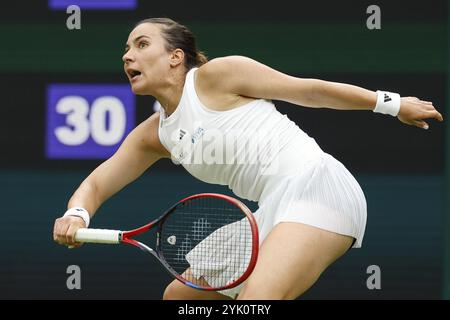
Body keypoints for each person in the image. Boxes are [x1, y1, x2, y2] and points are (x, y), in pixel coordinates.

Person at [53, 18, 443, 300]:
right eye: (125, 49)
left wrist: (390, 104)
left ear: (175, 56)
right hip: (271, 211)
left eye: (140, 45)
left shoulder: (218, 75)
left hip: (317, 186)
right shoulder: (155, 134)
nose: (127, 56)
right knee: (179, 298)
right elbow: (98, 183)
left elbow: (308, 91)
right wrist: (77, 215)